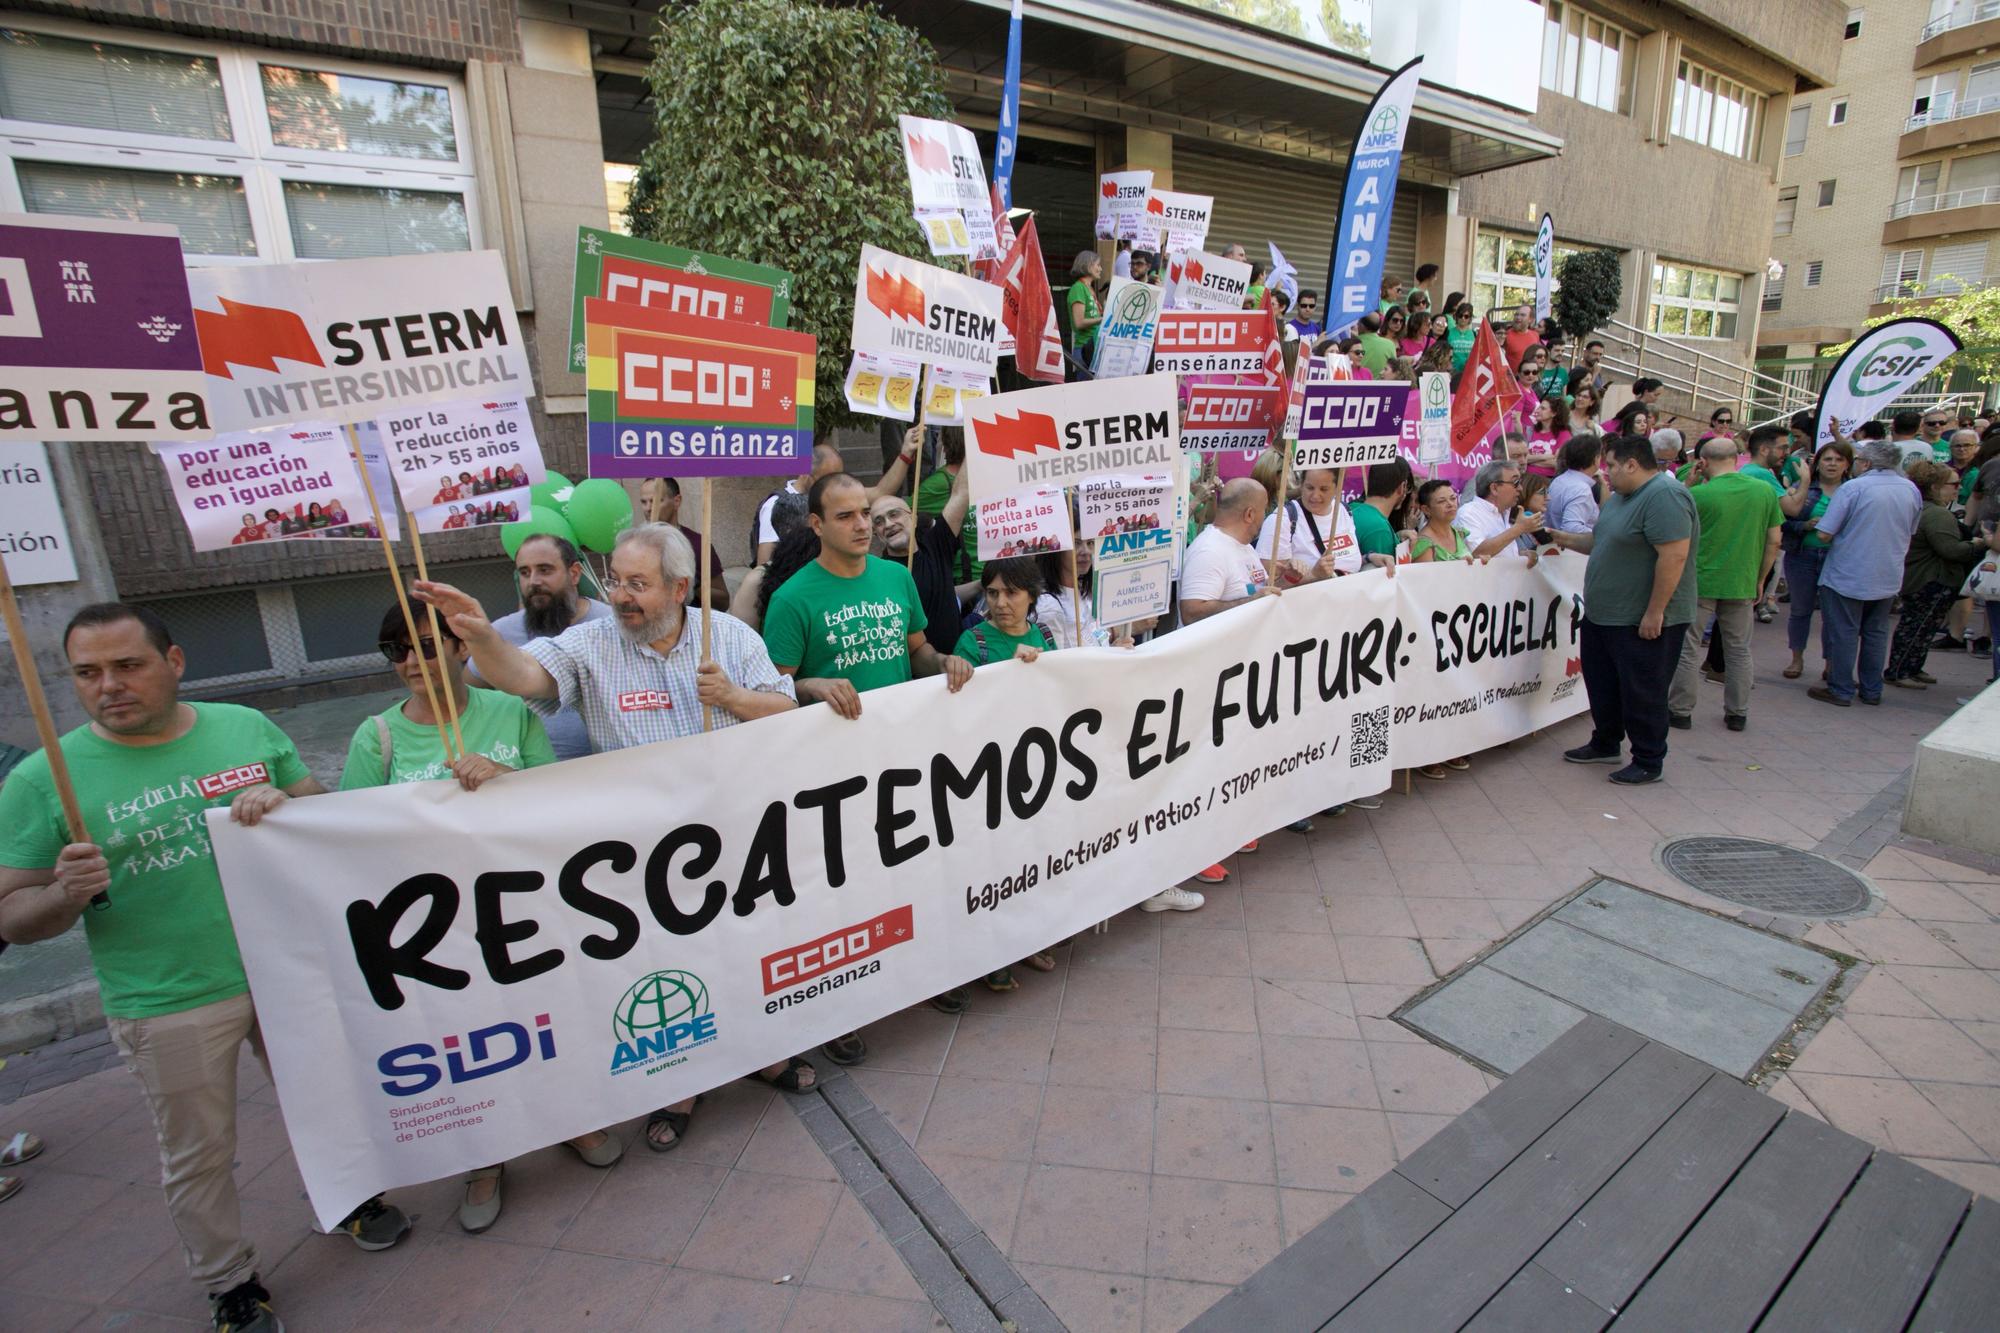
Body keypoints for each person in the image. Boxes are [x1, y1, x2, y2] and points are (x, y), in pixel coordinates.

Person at [0, 604, 411, 1333]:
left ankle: (352, 1197)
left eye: (128, 665)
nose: (109, 686)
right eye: (88, 673)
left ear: (175, 661)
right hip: (167, 997)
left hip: (284, 967)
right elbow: (12, 915)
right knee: (199, 1151)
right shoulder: (42, 779)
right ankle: (231, 1281)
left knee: (325, 1099)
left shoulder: (245, 728)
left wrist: (286, 802)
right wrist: (62, 893)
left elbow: (322, 817)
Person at [415, 525, 813, 1131]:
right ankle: (680, 1085)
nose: (623, 596)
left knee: (742, 949)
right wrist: (482, 636)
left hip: (732, 840)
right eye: (617, 582)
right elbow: (523, 675)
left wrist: (733, 697)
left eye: (639, 584)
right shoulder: (589, 644)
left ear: (679, 588)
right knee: (666, 968)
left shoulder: (728, 636)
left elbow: (784, 710)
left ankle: (765, 1054)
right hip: (640, 856)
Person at [339, 606, 620, 1233]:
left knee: (544, 1024)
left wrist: (506, 778)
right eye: (395, 649)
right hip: (438, 934)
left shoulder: (511, 712)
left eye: (423, 645)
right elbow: (350, 837)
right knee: (468, 1043)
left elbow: (553, 803)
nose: (410, 661)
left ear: (461, 647)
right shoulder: (375, 737)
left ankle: (573, 1122)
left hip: (522, 914)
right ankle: (485, 1161)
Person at [762, 473, 976, 1032]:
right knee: (847, 888)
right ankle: (846, 1010)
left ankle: (927, 974)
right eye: (845, 516)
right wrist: (813, 686)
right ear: (816, 525)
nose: (862, 525)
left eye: (865, 512)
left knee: (914, 870)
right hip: (834, 774)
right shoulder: (791, 600)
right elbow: (774, 690)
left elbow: (919, 650)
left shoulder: (894, 577)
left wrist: (944, 663)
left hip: (904, 759)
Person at [1548, 434, 1699, 785]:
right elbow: (1602, 540)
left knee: (1642, 688)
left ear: (1632, 464)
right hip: (1605, 614)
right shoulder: (1620, 498)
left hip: (1640, 617)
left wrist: (1655, 611)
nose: (1606, 473)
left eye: (1612, 465)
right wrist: (1559, 537)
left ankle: (1648, 757)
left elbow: (1673, 555)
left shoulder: (1665, 497)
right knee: (1604, 684)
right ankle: (1606, 741)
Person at [1667, 438, 1781, 732]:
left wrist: (1689, 484)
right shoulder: (1764, 491)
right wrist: (1760, 579)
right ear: (1736, 458)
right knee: (1739, 649)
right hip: (1742, 579)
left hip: (1699, 580)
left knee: (1689, 647)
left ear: (1702, 461)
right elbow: (1774, 540)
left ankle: (1680, 710)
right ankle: (1738, 711)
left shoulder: (1699, 495)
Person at [1806, 441, 1924, 707]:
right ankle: (1872, 689)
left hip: (1849, 571)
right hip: (1888, 573)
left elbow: (1825, 532)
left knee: (1844, 632)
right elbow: (1912, 530)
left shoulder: (1854, 488)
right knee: (1876, 633)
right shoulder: (1910, 490)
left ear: (1867, 463)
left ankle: (1841, 688)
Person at [484, 533, 613, 761]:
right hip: (531, 777)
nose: (533, 581)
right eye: (524, 572)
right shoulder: (499, 634)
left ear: (574, 573)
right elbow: (468, 694)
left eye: (544, 570)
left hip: (610, 768)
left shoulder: (612, 624)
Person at [1885, 460, 1989, 688]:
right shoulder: (1937, 515)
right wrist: (1977, 544)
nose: (1958, 488)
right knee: (1918, 627)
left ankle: (1911, 667)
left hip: (1921, 578)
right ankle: (1900, 670)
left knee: (1921, 627)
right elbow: (1951, 549)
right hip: (1931, 580)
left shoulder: (1924, 509)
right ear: (1935, 487)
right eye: (1953, 484)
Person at [870, 444, 974, 656]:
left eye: (894, 514)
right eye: (879, 522)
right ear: (876, 534)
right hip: (915, 677)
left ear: (914, 518)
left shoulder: (936, 544)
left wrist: (973, 439)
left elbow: (961, 493)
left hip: (959, 664)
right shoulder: (878, 573)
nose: (888, 524)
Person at [1779, 440, 1851, 681]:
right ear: (1817, 463)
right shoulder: (1804, 488)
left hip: (1837, 558)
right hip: (1803, 555)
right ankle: (1796, 658)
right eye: (1827, 459)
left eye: (1838, 459)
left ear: (1847, 464)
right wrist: (1804, 525)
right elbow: (1783, 521)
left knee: (1833, 615)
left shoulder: (1852, 490)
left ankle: (1831, 663)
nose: (1832, 464)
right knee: (1800, 610)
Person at [1259, 465, 1375, 585]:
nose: (1315, 495)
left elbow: (1344, 561)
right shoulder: (1281, 520)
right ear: (1301, 485)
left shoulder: (1343, 510)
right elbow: (1269, 587)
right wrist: (1314, 575)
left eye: (1324, 489)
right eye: (1310, 488)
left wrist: (1369, 558)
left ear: (1337, 488)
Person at [639, 476, 731, 613]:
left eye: (656, 501)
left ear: (677, 501)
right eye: (644, 502)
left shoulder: (698, 544)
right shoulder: (636, 544)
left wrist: (694, 583)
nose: (648, 508)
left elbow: (723, 601)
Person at [1456, 460, 1545, 558]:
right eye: (1515, 482)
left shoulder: (1504, 513)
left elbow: (1499, 552)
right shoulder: (1468, 513)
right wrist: (1519, 528)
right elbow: (1477, 553)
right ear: (1494, 488)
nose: (1520, 488)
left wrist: (1521, 556)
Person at [1349, 459, 1413, 561]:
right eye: (1408, 488)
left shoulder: (1352, 507)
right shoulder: (1378, 528)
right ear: (1403, 487)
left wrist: (1396, 537)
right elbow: (1385, 574)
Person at [1548, 434, 1604, 535]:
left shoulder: (1560, 479)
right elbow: (1571, 528)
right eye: (1600, 456)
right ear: (1596, 459)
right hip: (1571, 549)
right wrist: (1602, 536)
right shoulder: (1580, 489)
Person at [1410, 477, 1472, 563]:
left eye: (1453, 498)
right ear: (1426, 509)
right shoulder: (1423, 543)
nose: (1450, 504)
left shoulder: (1459, 533)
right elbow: (1427, 576)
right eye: (1442, 501)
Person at [1068, 249, 1104, 362]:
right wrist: (1102, 320)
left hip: (1094, 346)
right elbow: (1079, 322)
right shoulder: (1078, 288)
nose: (1100, 269)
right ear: (1088, 265)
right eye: (1098, 265)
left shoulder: (1089, 289)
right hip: (1085, 348)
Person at [1502, 303, 1540, 369]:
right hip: (1511, 378)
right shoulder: (1505, 335)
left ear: (1530, 319)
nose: (1518, 317)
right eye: (1516, 314)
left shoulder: (1535, 335)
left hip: (1530, 376)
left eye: (1522, 315)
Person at [1446, 301, 1477, 375]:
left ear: (1470, 319)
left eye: (1466, 316)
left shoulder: (1474, 334)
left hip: (1469, 372)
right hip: (1452, 371)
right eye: (1460, 315)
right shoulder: (1448, 332)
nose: (1463, 318)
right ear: (1456, 316)